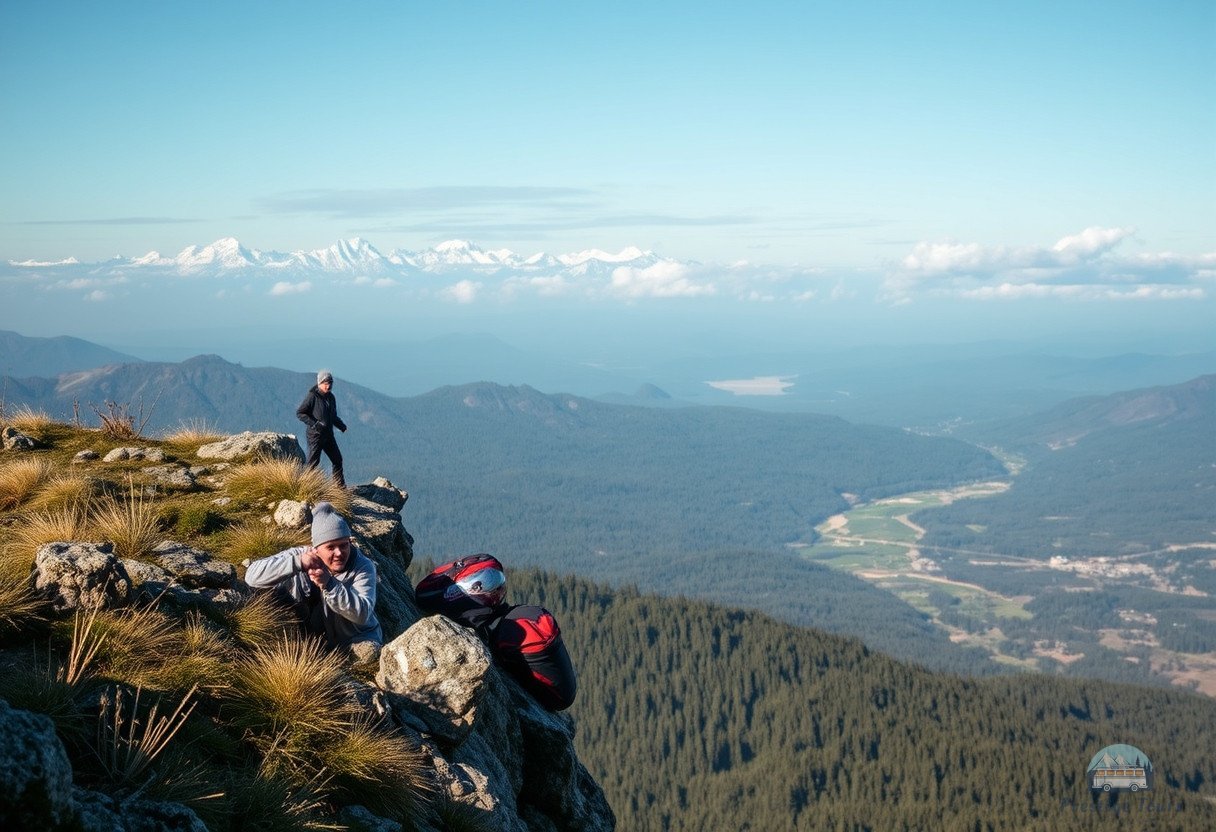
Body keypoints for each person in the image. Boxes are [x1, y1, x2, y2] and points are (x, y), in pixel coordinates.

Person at [244, 502, 382, 663]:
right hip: (314, 641)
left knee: (366, 656)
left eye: (344, 545)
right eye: (331, 547)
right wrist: (297, 563)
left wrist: (329, 584)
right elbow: (252, 576)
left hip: (355, 640)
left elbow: (362, 613)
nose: (339, 553)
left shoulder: (363, 566)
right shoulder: (301, 556)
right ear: (316, 548)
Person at [296, 370, 347, 488]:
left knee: (337, 460)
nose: (328, 386)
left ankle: (340, 487)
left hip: (328, 435)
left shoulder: (331, 397)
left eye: (330, 383)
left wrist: (341, 425)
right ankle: (305, 487)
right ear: (319, 383)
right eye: (325, 383)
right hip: (315, 436)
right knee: (313, 463)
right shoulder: (312, 396)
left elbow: (332, 416)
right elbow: (300, 413)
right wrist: (315, 424)